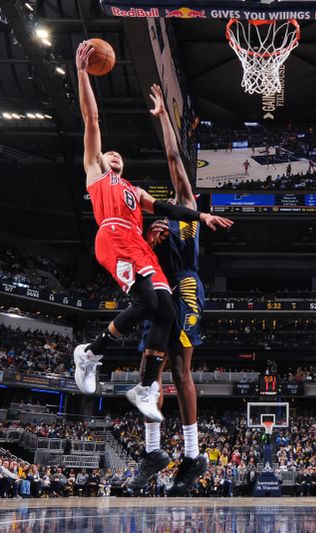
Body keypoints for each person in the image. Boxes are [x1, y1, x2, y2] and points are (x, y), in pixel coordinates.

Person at [70, 40, 233, 426]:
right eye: (111, 154)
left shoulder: (133, 190)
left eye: (119, 157)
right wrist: (82, 74)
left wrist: (201, 216)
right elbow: (91, 119)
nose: (115, 157)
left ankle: (144, 387)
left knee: (166, 309)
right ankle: (90, 353)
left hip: (138, 244)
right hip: (112, 237)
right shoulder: (95, 172)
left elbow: (167, 208)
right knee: (146, 304)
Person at [128, 85, 208, 495]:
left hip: (187, 285)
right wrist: (150, 240)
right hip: (158, 289)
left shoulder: (187, 211)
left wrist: (163, 118)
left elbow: (176, 159)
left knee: (181, 370)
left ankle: (193, 455)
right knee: (149, 373)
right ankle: (153, 452)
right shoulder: (153, 233)